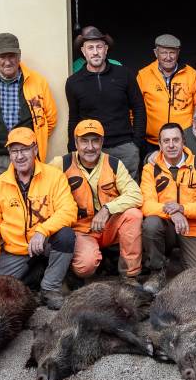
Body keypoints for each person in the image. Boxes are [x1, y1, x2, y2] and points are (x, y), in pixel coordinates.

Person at [0, 128, 77, 309]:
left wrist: (42, 231)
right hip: (16, 251)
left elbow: (69, 210)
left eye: (24, 149)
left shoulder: (54, 176)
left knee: (66, 236)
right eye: (14, 151)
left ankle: (49, 289)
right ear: (9, 154)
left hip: (45, 243)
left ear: (35, 150)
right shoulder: (0, 183)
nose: (19, 156)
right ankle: (35, 274)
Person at [0, 32, 57, 216]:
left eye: (12, 56)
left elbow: (49, 118)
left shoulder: (37, 81)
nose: (8, 62)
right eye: (2, 56)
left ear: (19, 56)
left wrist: (29, 146)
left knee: (27, 206)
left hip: (25, 157)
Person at [49, 119, 143, 283]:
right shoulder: (61, 164)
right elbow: (39, 180)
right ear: (76, 143)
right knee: (85, 267)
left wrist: (107, 209)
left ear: (102, 142)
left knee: (133, 215)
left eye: (95, 141)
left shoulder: (113, 164)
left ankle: (130, 276)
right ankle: (75, 266)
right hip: (80, 230)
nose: (90, 147)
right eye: (84, 141)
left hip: (108, 226)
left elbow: (136, 194)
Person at [139, 123, 196, 293]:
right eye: (166, 141)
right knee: (151, 224)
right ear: (159, 145)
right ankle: (157, 272)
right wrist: (173, 214)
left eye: (176, 140)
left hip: (194, 228)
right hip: (166, 227)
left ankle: (184, 258)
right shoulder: (150, 169)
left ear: (183, 142)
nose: (171, 145)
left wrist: (182, 209)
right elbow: (146, 205)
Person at [65, 25, 146, 181]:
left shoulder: (124, 74)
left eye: (99, 47)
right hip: (92, 149)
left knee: (129, 193)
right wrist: (73, 149)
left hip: (124, 147)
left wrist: (136, 143)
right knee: (94, 193)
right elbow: (74, 118)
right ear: (83, 51)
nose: (95, 52)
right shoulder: (73, 82)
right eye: (90, 48)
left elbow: (139, 108)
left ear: (106, 49)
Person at [137, 34, 196, 147]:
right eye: (164, 53)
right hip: (152, 142)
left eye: (172, 53)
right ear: (156, 53)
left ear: (178, 53)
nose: (168, 57)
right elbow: (135, 108)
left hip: (184, 141)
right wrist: (137, 136)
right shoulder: (143, 75)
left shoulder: (192, 74)